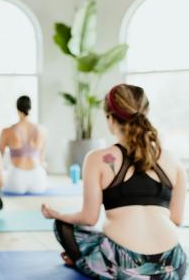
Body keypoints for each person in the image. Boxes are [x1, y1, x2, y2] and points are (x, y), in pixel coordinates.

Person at [41, 84, 187, 279]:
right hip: (174, 266)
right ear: (146, 113)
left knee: (62, 226)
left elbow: (89, 218)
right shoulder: (173, 161)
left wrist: (58, 214)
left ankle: (84, 262)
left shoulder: (97, 158)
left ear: (110, 119)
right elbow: (176, 220)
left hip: (126, 268)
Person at [0, 95, 47, 194]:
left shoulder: (7, 131)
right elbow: (42, 158)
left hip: (17, 177)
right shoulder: (42, 130)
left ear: (17, 108)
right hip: (37, 178)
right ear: (30, 108)